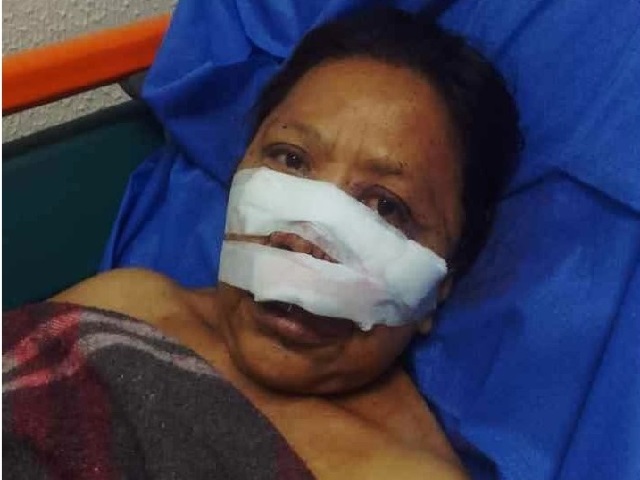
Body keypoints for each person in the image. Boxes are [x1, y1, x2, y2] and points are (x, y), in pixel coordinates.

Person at [3, 8, 520, 479]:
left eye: (386, 207)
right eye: (290, 159)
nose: (302, 241)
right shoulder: (127, 302)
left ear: (442, 283)